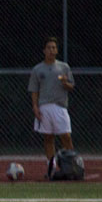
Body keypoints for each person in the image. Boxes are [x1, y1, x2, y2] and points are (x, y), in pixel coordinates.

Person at [28, 36, 74, 178]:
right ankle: (51, 167)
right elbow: (34, 90)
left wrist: (66, 83)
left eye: (54, 47)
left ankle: (71, 165)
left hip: (60, 107)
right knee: (48, 138)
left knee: (66, 136)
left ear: (57, 50)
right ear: (44, 50)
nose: (51, 50)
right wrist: (35, 107)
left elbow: (71, 86)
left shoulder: (63, 67)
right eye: (49, 48)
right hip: (44, 106)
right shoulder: (38, 69)